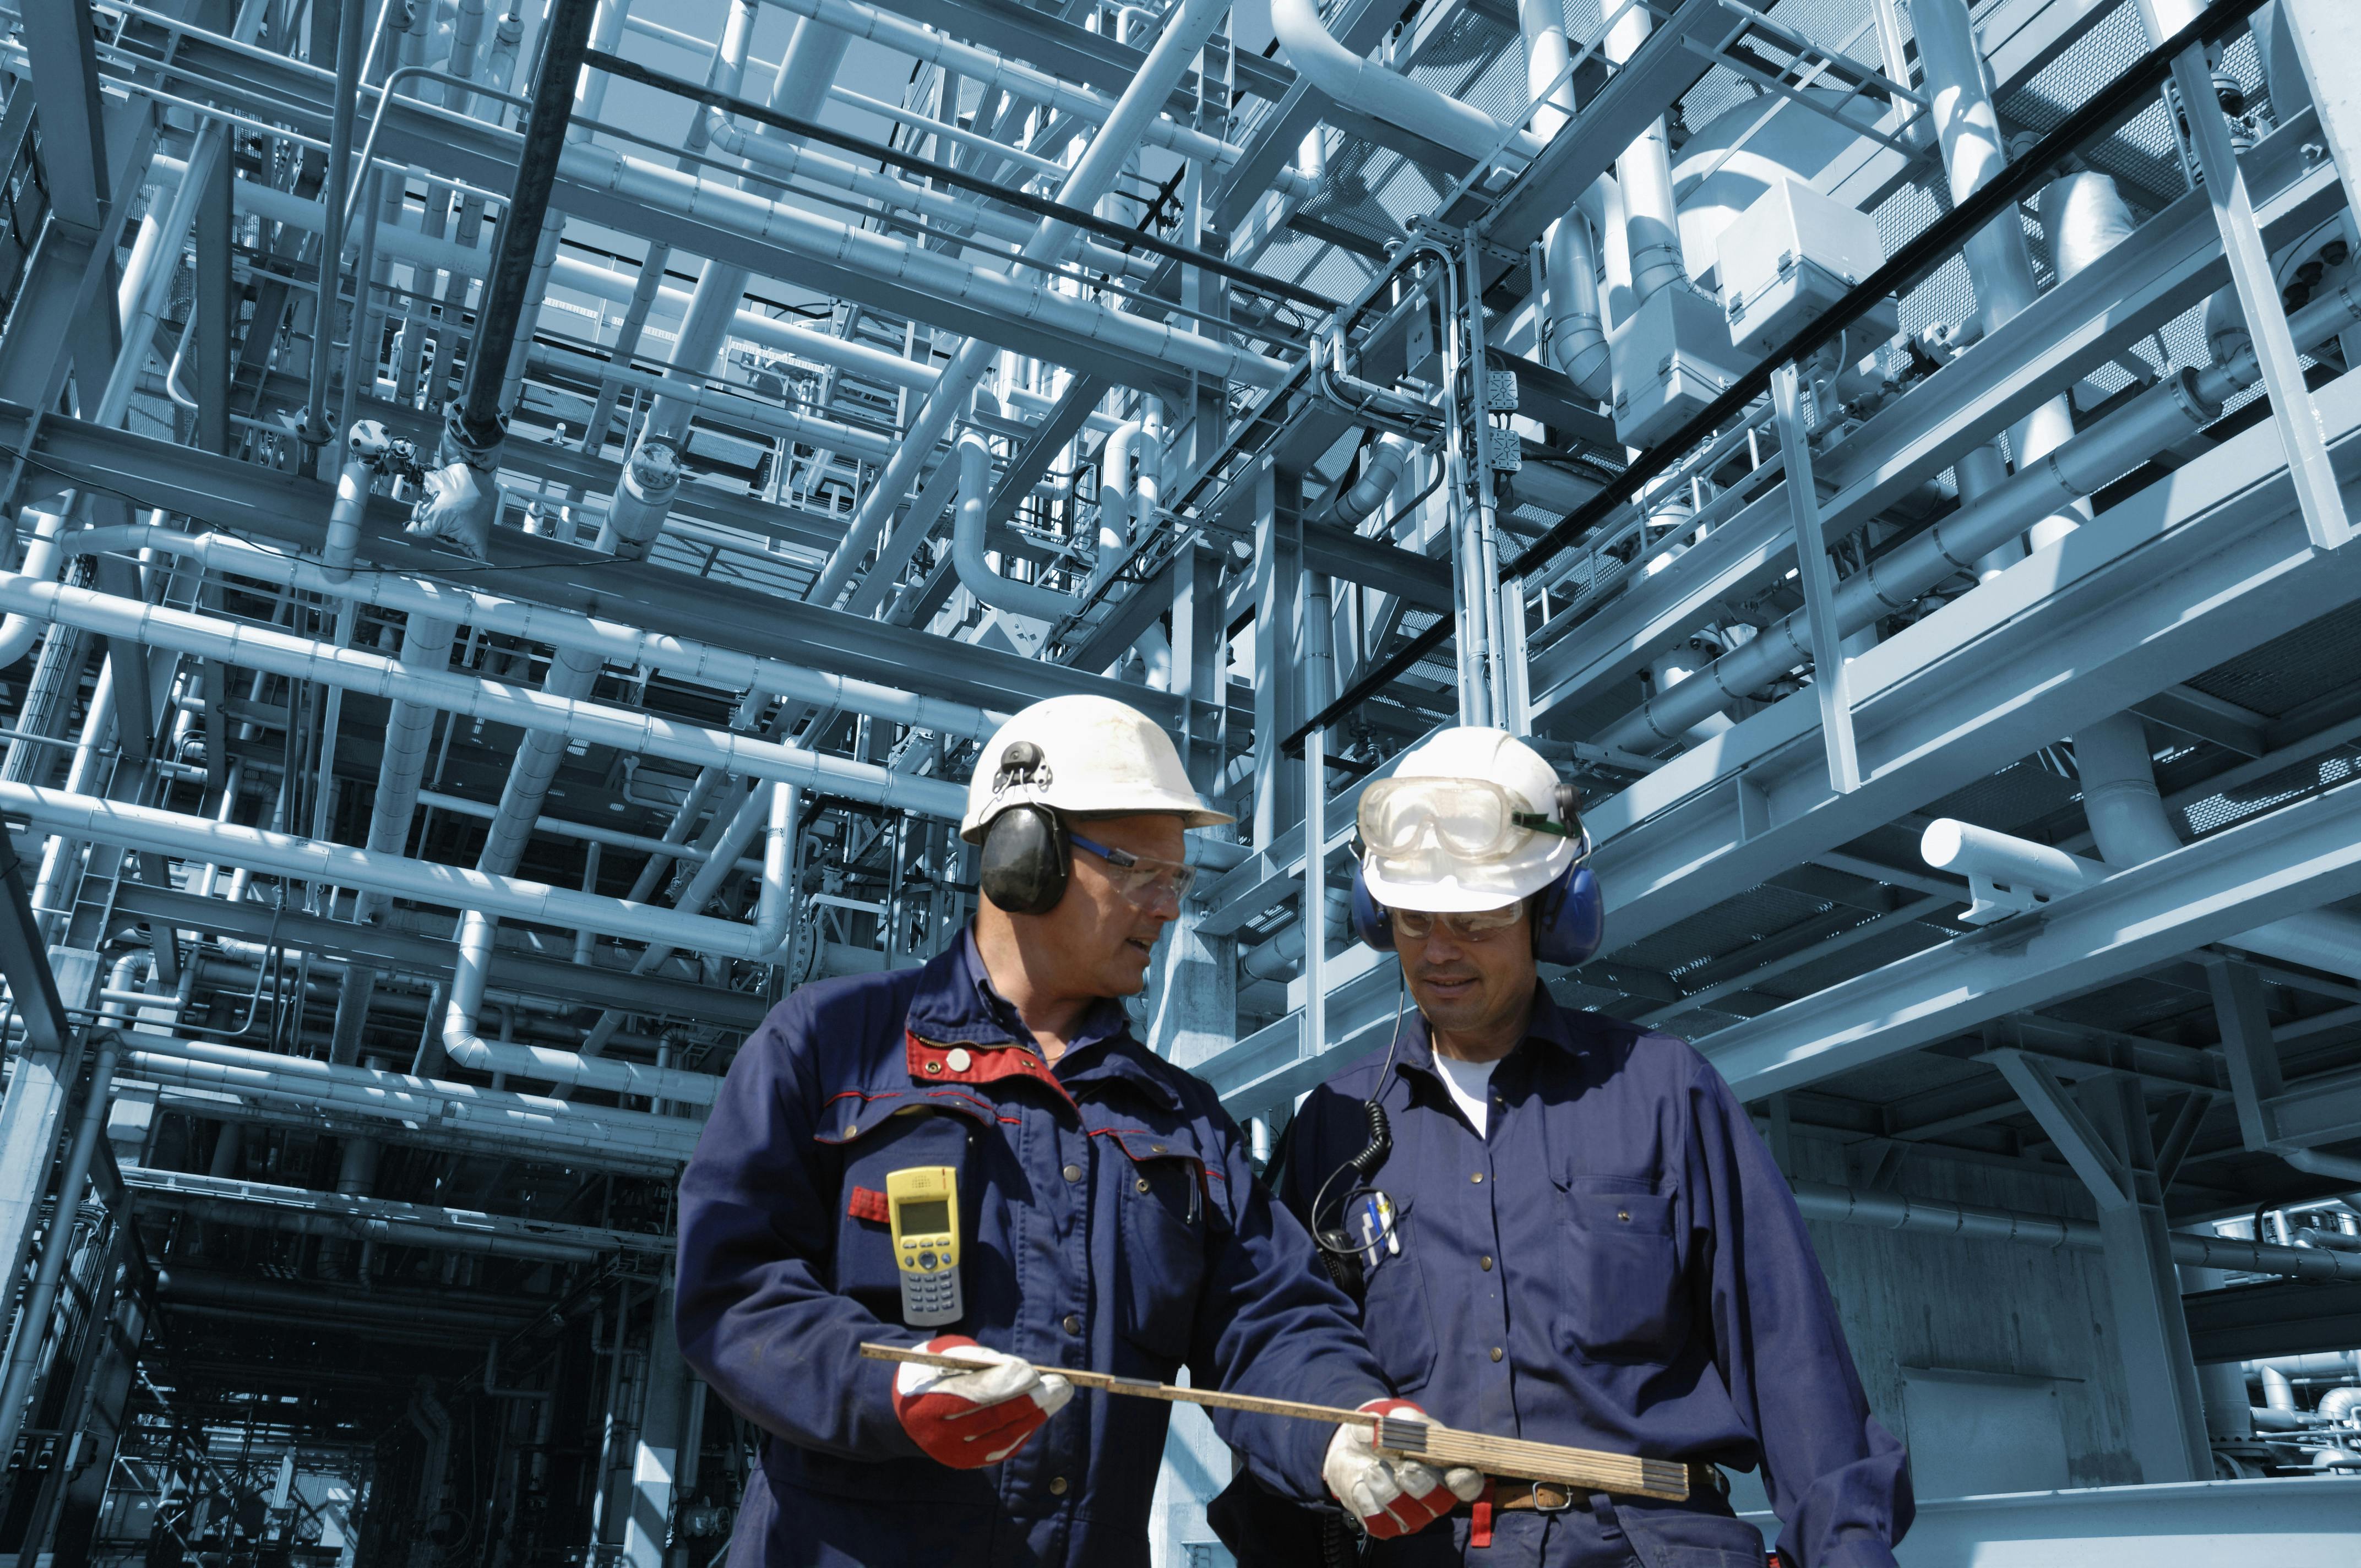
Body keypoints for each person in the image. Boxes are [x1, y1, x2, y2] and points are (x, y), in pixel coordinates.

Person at [676, 695, 1481, 1567]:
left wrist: (1342, 1427)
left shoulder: (1178, 1121)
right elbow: (735, 1288)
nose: (1168, 909)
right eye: (1143, 873)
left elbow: (1267, 1318)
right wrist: (891, 1381)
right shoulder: (834, 1047)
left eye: (1176, 881)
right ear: (1028, 857)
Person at [1247, 726, 1912, 1567]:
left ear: (1550, 913)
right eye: (1413, 921)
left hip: (1655, 1541)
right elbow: (1279, 1344)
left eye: (1477, 918)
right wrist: (1338, 1437)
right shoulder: (1337, 1126)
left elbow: (1789, 1354)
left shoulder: (1663, 1090)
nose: (1440, 950)